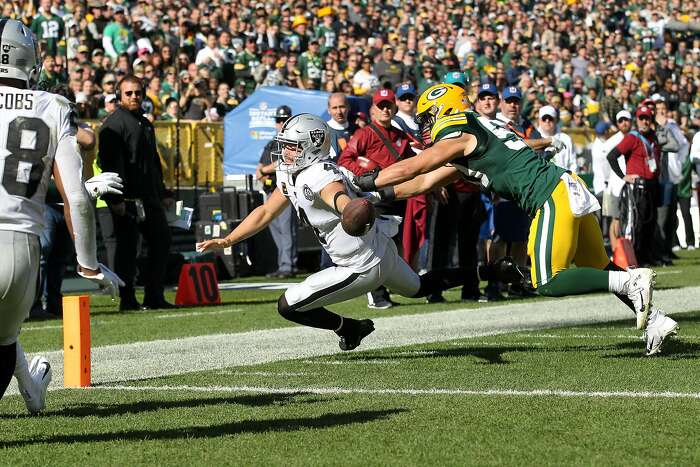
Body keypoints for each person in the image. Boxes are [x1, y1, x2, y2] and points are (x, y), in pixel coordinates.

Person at [354, 83, 678, 356]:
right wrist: (375, 195)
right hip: (566, 186)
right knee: (601, 266)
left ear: (445, 109)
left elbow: (416, 167)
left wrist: (369, 180)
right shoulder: (476, 134)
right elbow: (423, 183)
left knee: (547, 281)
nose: (425, 125)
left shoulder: (461, 131)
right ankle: (656, 321)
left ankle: (632, 280)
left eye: (428, 117)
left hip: (549, 196)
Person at [196, 114, 512, 351]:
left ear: (311, 146)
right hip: (380, 250)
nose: (286, 153)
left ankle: (349, 327)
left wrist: (349, 207)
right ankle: (487, 271)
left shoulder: (316, 173)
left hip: (359, 265)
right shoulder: (296, 173)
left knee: (288, 306)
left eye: (292, 147)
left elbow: (337, 196)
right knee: (418, 288)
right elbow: (266, 210)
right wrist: (228, 239)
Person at [0, 19, 123, 413]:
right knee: (4, 337)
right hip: (19, 246)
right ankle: (32, 389)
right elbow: (77, 196)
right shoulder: (52, 106)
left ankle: (32, 387)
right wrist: (89, 267)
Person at [98, 75, 175, 311]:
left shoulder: (145, 123)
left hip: (149, 197)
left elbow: (153, 162)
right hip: (127, 199)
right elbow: (109, 165)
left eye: (137, 93)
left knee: (161, 242)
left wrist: (162, 193)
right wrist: (115, 199)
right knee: (127, 251)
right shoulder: (113, 125)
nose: (134, 97)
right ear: (120, 96)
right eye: (128, 93)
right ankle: (127, 299)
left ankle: (154, 295)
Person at [339, 88, 416, 309]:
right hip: (375, 197)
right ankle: (376, 294)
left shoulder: (401, 135)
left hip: (397, 196)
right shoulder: (365, 134)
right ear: (373, 108)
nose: (385, 109)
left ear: (394, 107)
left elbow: (412, 164)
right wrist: (368, 177)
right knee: (377, 245)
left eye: (388, 105)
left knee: (393, 244)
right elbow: (345, 159)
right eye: (380, 105)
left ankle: (387, 289)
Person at [606, 105, 663, 266]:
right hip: (637, 187)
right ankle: (635, 257)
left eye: (647, 118)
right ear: (637, 120)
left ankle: (647, 256)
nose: (645, 121)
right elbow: (612, 156)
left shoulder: (653, 136)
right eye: (641, 118)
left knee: (650, 223)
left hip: (652, 184)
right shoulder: (632, 137)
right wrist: (624, 176)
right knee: (636, 223)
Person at [257, 105, 298, 278]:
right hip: (269, 191)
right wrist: (261, 171)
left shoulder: (293, 141)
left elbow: (284, 162)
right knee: (276, 230)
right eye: (278, 120)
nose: (281, 123)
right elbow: (261, 165)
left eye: (284, 120)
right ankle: (283, 264)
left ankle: (288, 265)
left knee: (286, 229)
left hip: (284, 191)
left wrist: (265, 170)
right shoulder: (272, 143)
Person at [537, 105, 576, 172]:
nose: (547, 121)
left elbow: (573, 164)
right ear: (539, 120)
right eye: (544, 118)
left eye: (550, 118)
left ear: (556, 120)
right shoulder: (534, 139)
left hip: (563, 180)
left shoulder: (566, 139)